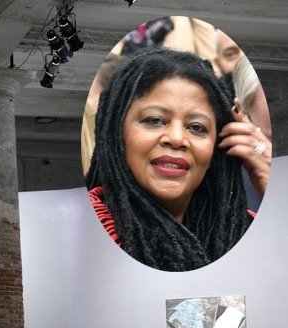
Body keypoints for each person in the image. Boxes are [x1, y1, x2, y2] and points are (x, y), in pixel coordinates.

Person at [86, 48, 271, 272]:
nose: (176, 139)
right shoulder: (81, 231)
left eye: (197, 127)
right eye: (154, 120)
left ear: (216, 146)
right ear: (116, 134)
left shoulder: (246, 231)